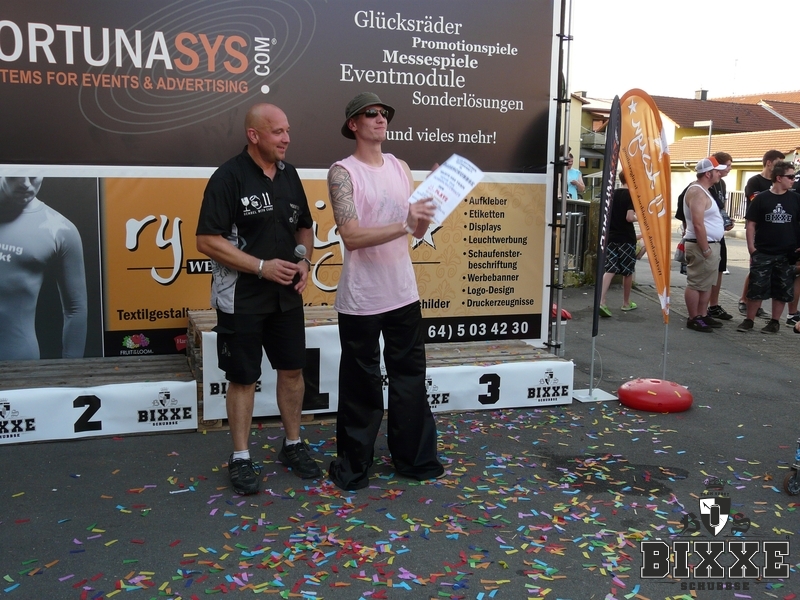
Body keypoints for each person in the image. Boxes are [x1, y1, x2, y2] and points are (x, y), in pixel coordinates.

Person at [196, 103, 321, 495]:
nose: (287, 139)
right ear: (254, 135)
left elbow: (305, 227)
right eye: (278, 132)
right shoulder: (228, 177)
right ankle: (240, 456)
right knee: (243, 377)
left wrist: (304, 262)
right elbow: (206, 240)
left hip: (286, 297)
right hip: (241, 298)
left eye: (288, 131)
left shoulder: (290, 175)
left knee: (292, 371)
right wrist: (261, 266)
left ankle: (293, 444)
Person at [326, 92, 445, 490]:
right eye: (371, 114)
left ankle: (416, 461)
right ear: (353, 124)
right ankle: (354, 468)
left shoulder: (400, 166)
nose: (381, 119)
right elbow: (352, 236)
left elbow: (417, 230)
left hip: (402, 293)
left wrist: (428, 205)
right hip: (361, 299)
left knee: (410, 380)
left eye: (384, 114)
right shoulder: (342, 172)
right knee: (361, 387)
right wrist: (406, 224)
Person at [0, 176, 87, 360]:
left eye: (34, 175)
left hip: (19, 361)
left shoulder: (61, 230)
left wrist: (71, 370)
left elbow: (75, 309)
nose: (25, 183)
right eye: (16, 174)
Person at [736, 161, 800, 334]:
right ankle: (749, 320)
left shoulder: (796, 199)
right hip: (763, 251)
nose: (793, 180)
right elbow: (751, 224)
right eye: (790, 177)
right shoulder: (762, 198)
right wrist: (752, 248)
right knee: (756, 287)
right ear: (779, 178)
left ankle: (774, 322)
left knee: (782, 289)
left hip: (787, 253)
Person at [738, 149, 785, 315]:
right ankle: (744, 299)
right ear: (769, 163)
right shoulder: (755, 181)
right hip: (758, 231)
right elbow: (755, 201)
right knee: (756, 267)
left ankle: (757, 304)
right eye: (779, 163)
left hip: (774, 231)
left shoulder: (779, 182)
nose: (781, 167)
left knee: (770, 270)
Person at [682, 157, 726, 332]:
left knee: (706, 283)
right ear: (708, 174)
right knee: (696, 283)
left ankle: (702, 315)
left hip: (709, 244)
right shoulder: (698, 192)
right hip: (702, 245)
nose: (720, 174)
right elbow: (698, 223)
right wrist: (706, 248)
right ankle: (694, 317)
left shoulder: (703, 190)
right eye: (717, 171)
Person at [599, 170, 637, 317]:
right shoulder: (630, 195)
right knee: (627, 271)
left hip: (611, 237)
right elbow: (629, 217)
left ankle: (601, 301)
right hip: (626, 238)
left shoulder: (611, 194)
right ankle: (626, 303)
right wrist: (641, 218)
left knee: (610, 268)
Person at [706, 152, 736, 320]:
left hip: (719, 236)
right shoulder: (701, 186)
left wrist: (726, 221)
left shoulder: (722, 184)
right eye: (728, 165)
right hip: (705, 237)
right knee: (705, 273)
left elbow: (720, 208)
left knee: (719, 269)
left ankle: (714, 305)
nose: (730, 169)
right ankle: (700, 310)